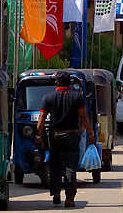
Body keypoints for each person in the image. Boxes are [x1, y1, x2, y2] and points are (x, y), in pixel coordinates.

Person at [36, 72, 96, 208]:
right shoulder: (77, 97)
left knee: (55, 165)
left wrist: (38, 134)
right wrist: (91, 133)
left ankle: (56, 193)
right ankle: (69, 198)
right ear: (69, 83)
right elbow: (83, 117)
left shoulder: (48, 98)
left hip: (54, 136)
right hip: (71, 135)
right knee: (70, 167)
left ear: (57, 83)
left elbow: (42, 117)